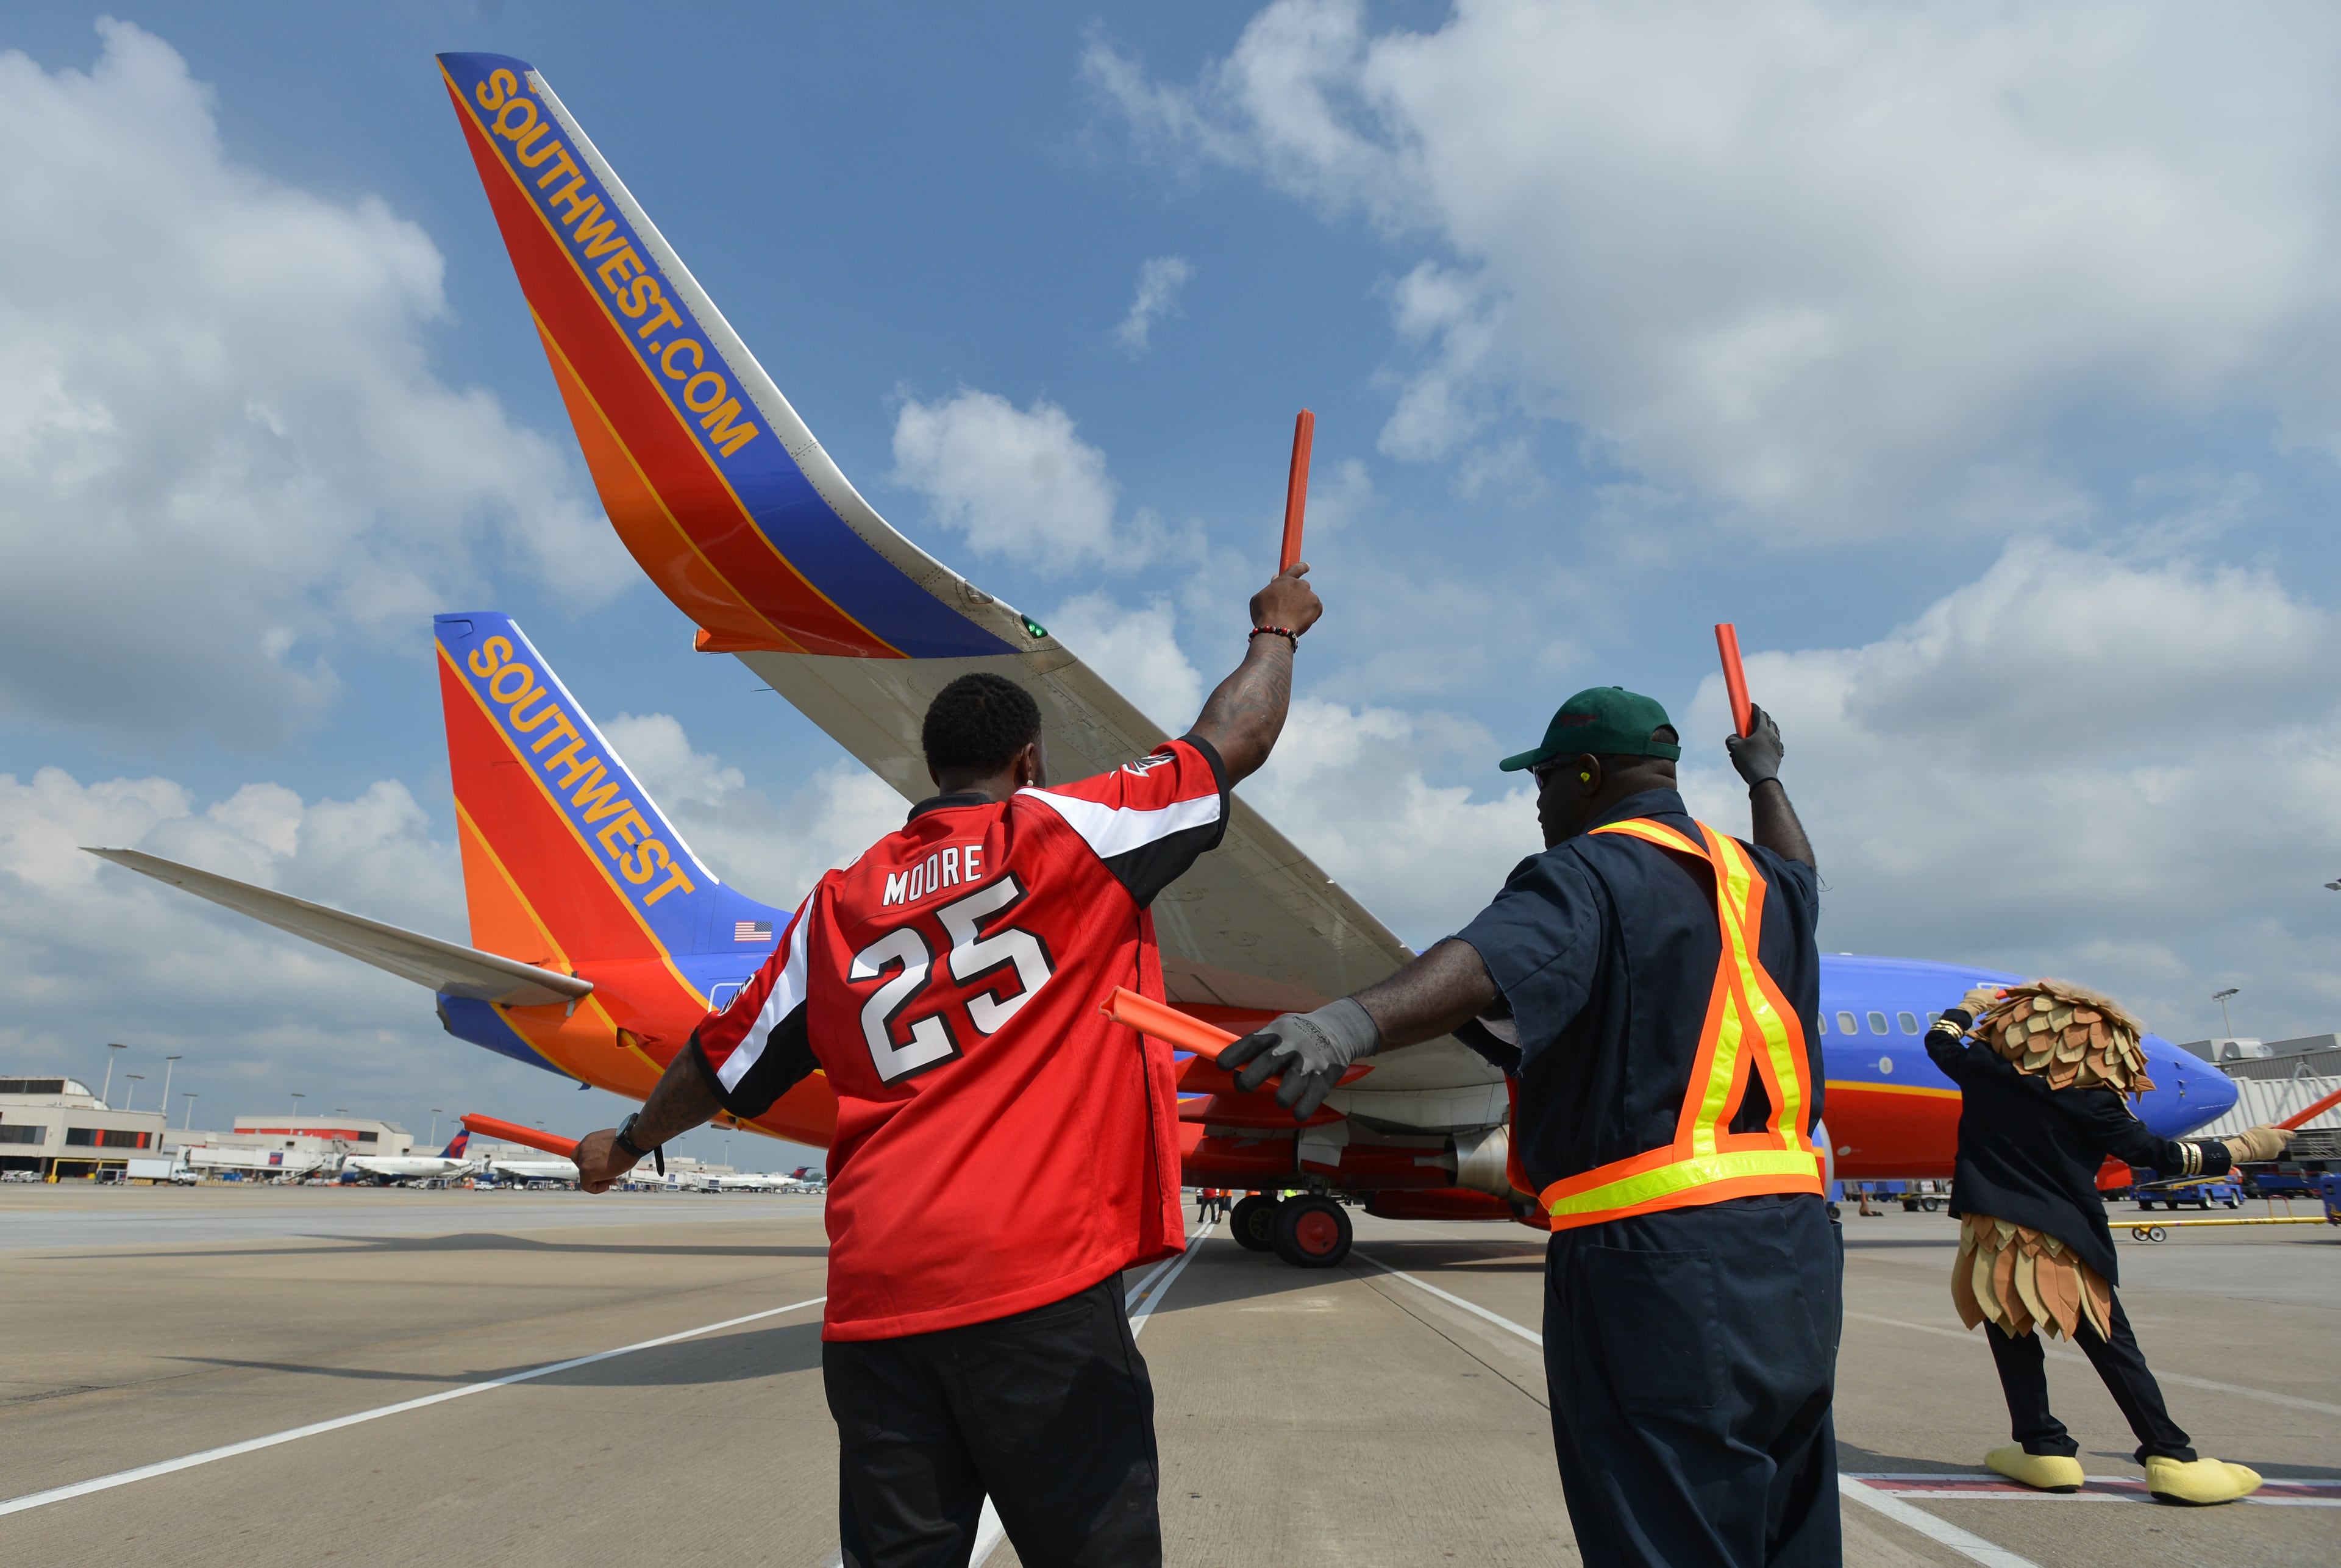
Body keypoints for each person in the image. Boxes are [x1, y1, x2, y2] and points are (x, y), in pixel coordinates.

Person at [572, 563, 1323, 1568]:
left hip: (878, 1302)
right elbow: (1235, 738)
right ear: (1030, 758)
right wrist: (1276, 630)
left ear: (932, 768)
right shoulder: (1068, 832)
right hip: (1036, 1284)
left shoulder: (839, 902)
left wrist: (623, 1143)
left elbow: (719, 1063)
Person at [1222, 687, 1838, 1567]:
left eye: (1545, 781)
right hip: (1797, 1252)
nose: (1539, 802)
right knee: (1789, 1518)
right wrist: (1768, 784)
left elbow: (1482, 961)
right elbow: (1804, 873)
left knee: (1667, 1528)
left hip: (1655, 1257)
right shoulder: (1765, 884)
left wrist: (1348, 1024)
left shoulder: (1588, 871)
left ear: (1586, 778)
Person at [1923, 981, 2293, 1505]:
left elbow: (1939, 1042)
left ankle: (2043, 1448)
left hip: (1992, 1233)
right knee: (2113, 1347)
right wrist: (2244, 1146)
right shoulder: (2094, 1104)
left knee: (2012, 1339)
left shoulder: (1985, 1074)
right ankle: (2171, 1455)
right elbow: (2160, 1157)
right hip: (2062, 1238)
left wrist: (1969, 1007)